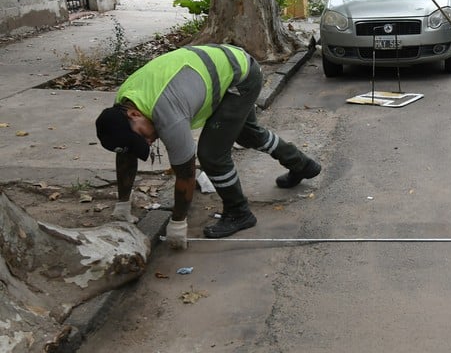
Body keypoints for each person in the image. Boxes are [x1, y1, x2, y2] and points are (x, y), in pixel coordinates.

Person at [95, 44, 321, 248]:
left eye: (142, 137)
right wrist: (123, 203)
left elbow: (185, 173)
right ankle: (303, 165)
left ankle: (238, 212)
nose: (148, 142)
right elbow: (126, 153)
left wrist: (178, 222)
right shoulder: (124, 106)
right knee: (248, 134)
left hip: (238, 78)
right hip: (223, 67)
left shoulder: (167, 114)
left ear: (134, 114)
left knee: (212, 154)